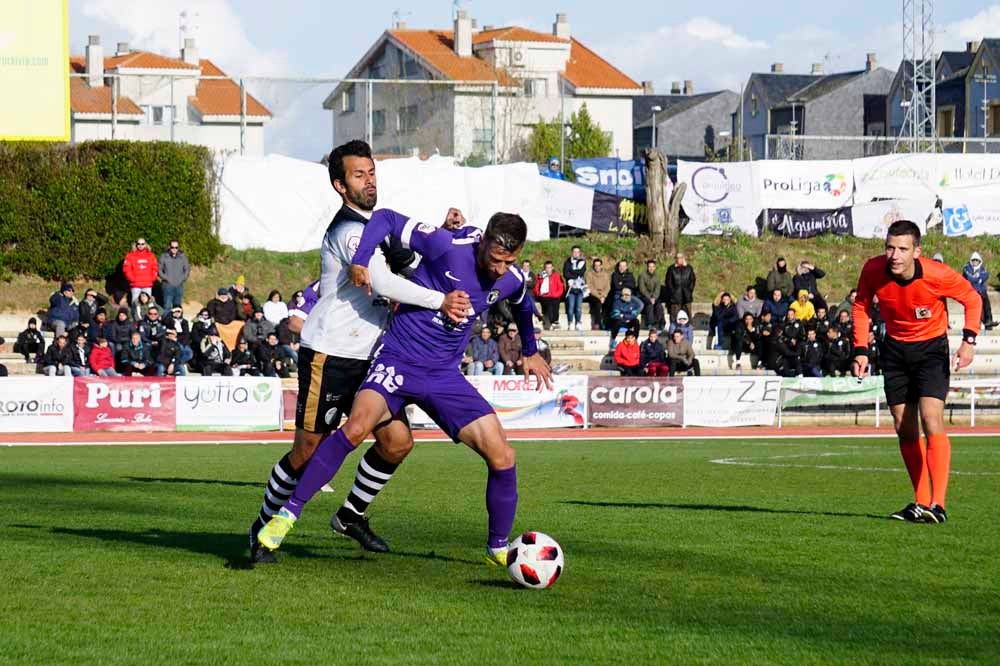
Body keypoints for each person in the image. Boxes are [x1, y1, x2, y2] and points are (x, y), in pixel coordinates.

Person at [256, 209, 551, 569]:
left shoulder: (510, 277)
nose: (500, 269)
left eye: (510, 261)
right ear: (484, 241)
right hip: (397, 359)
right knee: (356, 427)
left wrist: (532, 351)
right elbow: (385, 219)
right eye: (496, 259)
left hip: (443, 374)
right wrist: (361, 260)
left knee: (503, 456)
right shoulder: (447, 245)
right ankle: (287, 516)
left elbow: (522, 300)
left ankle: (498, 549)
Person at [246, 140, 468, 564]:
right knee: (306, 451)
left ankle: (350, 515)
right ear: (339, 185)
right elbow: (382, 282)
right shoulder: (348, 231)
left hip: (373, 357)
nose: (369, 182)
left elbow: (416, 263)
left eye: (371, 173)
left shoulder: (379, 224)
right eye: (359, 175)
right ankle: (262, 527)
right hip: (330, 355)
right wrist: (438, 302)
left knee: (398, 441)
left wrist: (446, 231)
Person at [851, 220, 981, 524]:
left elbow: (972, 299)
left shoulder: (937, 275)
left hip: (931, 350)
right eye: (890, 247)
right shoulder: (873, 270)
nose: (894, 255)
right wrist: (860, 348)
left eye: (902, 249)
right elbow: (860, 305)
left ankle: (939, 504)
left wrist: (969, 341)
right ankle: (921, 501)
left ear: (917, 251)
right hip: (894, 350)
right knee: (903, 426)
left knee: (930, 417)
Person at [963, 252, 996, 329]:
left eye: (976, 260)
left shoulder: (982, 269)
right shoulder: (967, 268)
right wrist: (978, 278)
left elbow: (986, 275)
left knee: (987, 306)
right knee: (976, 309)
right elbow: (970, 278)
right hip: (972, 292)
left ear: (979, 261)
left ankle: (989, 322)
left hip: (981, 291)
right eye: (973, 260)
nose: (975, 262)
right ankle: (977, 324)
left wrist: (977, 278)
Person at [123, 238, 158, 303]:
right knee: (135, 304)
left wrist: (152, 278)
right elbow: (126, 269)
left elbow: (155, 268)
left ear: (145, 245)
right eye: (138, 244)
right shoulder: (130, 255)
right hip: (135, 285)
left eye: (142, 244)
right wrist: (132, 279)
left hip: (147, 284)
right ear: (136, 245)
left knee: (147, 305)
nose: (140, 245)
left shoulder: (151, 255)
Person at [663, 252, 695, 324]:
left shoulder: (689, 268)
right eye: (677, 258)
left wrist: (689, 291)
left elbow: (692, 281)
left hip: (686, 296)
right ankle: (673, 332)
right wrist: (673, 293)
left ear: (683, 258)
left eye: (680, 258)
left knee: (688, 316)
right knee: (674, 317)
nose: (679, 259)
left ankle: (688, 332)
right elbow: (668, 282)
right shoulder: (671, 269)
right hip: (675, 297)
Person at [533, 260, 565, 330]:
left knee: (556, 304)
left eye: (550, 267)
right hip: (544, 296)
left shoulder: (556, 275)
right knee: (549, 305)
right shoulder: (540, 275)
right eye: (547, 267)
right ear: (544, 268)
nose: (548, 269)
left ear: (552, 268)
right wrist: (538, 294)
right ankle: (552, 322)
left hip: (554, 295)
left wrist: (557, 294)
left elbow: (560, 287)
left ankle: (555, 321)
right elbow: (536, 286)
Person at [158, 240, 190, 311]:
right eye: (172, 247)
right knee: (167, 306)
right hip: (167, 286)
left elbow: (187, 269)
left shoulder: (183, 257)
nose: (174, 249)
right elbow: (159, 270)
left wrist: (182, 279)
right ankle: (166, 321)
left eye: (176, 247)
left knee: (177, 307)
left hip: (179, 285)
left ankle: (176, 321)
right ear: (169, 247)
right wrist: (165, 278)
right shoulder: (164, 256)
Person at [562, 247, 586, 331]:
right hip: (571, 289)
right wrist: (575, 274)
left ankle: (578, 322)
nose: (576, 253)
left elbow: (581, 273)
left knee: (578, 308)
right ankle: (570, 322)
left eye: (577, 252)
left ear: (580, 253)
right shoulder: (567, 262)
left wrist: (572, 272)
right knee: (570, 307)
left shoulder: (582, 262)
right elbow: (566, 274)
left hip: (579, 289)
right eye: (574, 252)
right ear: (572, 253)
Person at [585, 258, 610, 330]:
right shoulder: (589, 274)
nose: (597, 267)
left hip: (603, 295)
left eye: (599, 265)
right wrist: (599, 297)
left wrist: (604, 296)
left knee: (609, 304)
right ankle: (597, 323)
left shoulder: (606, 275)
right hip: (592, 295)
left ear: (601, 266)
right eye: (595, 265)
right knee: (597, 303)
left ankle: (607, 323)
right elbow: (590, 287)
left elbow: (607, 287)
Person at [638, 259, 663, 330]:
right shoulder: (642, 276)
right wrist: (649, 298)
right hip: (644, 296)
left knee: (659, 305)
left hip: (654, 297)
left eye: (653, 267)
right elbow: (642, 289)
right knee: (649, 305)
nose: (651, 268)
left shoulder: (657, 276)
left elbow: (658, 289)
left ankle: (660, 323)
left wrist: (654, 297)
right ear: (647, 267)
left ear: (655, 267)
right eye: (649, 267)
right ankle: (650, 323)